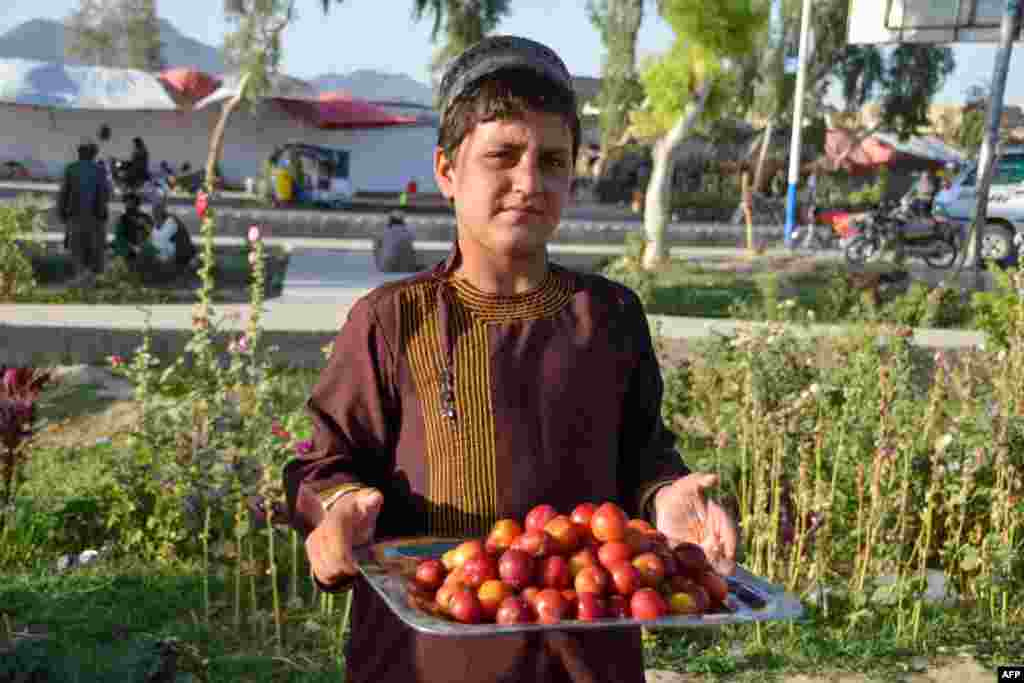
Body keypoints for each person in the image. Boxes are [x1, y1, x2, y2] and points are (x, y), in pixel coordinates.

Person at [284, 35, 739, 683]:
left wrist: (665, 500)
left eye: (552, 161)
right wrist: (340, 508)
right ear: (447, 171)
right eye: (502, 155)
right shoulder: (392, 321)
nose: (529, 182)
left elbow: (643, 455)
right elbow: (321, 460)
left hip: (582, 661)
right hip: (424, 664)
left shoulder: (609, 317)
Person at [57, 138, 111, 286]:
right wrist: (103, 214)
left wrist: (61, 213)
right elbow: (105, 194)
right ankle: (91, 280)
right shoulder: (100, 170)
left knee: (77, 250)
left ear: (79, 153)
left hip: (75, 217)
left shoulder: (71, 169)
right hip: (95, 218)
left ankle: (80, 278)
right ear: (93, 154)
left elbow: (63, 194)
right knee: (94, 250)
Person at [110, 193, 154, 263]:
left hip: (142, 248)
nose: (128, 205)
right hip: (127, 249)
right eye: (127, 203)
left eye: (131, 203)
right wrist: (131, 246)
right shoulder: (122, 219)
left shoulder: (145, 217)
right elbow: (119, 236)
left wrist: (141, 245)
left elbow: (151, 234)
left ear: (137, 204)